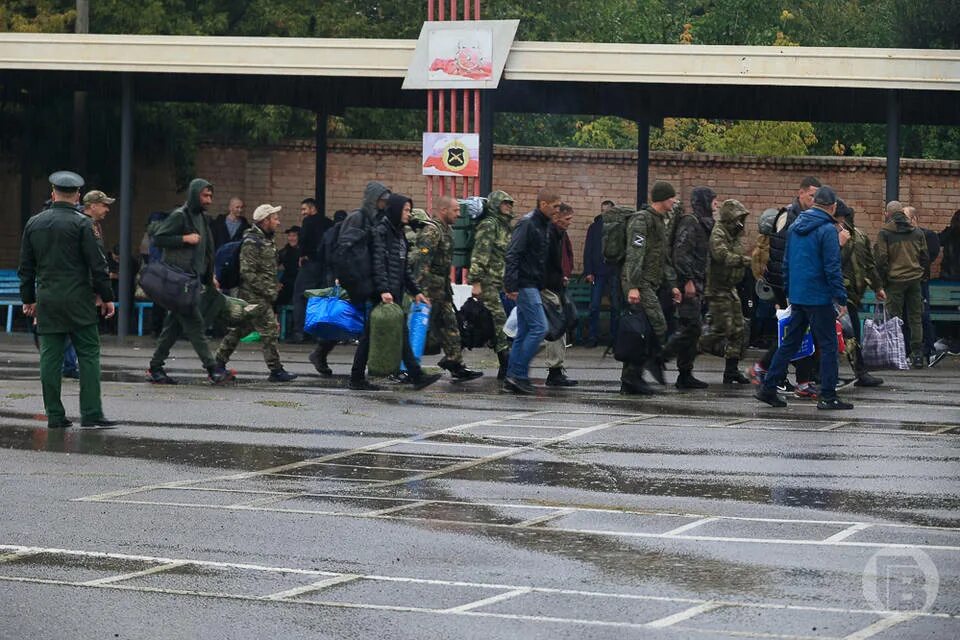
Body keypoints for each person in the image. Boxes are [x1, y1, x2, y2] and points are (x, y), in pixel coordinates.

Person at [18, 171, 117, 428]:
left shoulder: (34, 223)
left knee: (50, 358)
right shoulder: (83, 224)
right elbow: (98, 265)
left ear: (53, 193)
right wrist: (107, 297)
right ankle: (91, 413)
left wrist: (28, 298)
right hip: (80, 301)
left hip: (48, 301)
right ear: (78, 196)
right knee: (88, 355)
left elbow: (26, 268)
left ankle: (55, 415)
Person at [756, 186, 852, 410]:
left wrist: (790, 291)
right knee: (828, 345)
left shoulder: (795, 226)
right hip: (818, 297)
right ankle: (828, 396)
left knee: (789, 343)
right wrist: (841, 297)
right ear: (833, 206)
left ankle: (768, 388)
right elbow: (832, 267)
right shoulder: (828, 230)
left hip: (798, 295)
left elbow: (787, 263)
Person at [146, 178, 235, 385]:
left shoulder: (201, 218)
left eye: (211, 196)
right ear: (195, 194)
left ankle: (155, 367)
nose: (209, 200)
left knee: (173, 327)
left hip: (190, 281)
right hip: (178, 282)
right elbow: (158, 238)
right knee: (195, 324)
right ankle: (213, 369)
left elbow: (205, 252)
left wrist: (209, 277)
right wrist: (183, 239)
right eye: (205, 195)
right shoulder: (180, 216)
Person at [350, 193, 441, 391]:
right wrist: (383, 290)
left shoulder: (399, 234)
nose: (408, 214)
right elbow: (378, 263)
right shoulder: (381, 231)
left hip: (395, 291)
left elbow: (403, 267)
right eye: (405, 210)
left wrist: (415, 291)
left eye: (409, 210)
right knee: (382, 335)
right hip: (384, 294)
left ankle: (358, 377)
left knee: (379, 335)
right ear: (396, 210)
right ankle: (415, 376)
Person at [753, 176, 821, 396]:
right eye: (811, 195)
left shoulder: (806, 216)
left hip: (797, 284)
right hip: (786, 285)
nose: (814, 200)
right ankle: (766, 369)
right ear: (800, 193)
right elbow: (782, 251)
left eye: (816, 197)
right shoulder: (788, 215)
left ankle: (799, 379)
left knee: (800, 332)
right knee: (795, 333)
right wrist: (788, 286)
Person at [214, 204, 297, 382]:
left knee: (239, 330)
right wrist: (268, 289)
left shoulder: (266, 240)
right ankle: (276, 370)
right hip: (253, 296)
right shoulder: (252, 242)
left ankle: (218, 362)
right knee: (269, 330)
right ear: (265, 220)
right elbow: (247, 272)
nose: (278, 221)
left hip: (261, 295)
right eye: (274, 218)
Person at [620, 180, 682, 396]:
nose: (674, 201)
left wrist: (672, 285)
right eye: (672, 197)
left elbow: (661, 258)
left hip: (652, 283)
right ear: (664, 198)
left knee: (642, 331)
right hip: (639, 283)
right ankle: (634, 375)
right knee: (657, 325)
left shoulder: (659, 221)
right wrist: (634, 286)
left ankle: (631, 377)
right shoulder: (642, 220)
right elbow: (634, 254)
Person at [415, 195, 483, 381]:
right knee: (419, 328)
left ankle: (455, 363)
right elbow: (421, 262)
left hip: (442, 289)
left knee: (450, 325)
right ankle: (407, 367)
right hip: (428, 290)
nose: (459, 214)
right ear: (443, 210)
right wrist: (418, 291)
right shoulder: (432, 231)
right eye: (455, 210)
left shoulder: (448, 230)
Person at [503, 189, 559, 394]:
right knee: (539, 328)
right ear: (543, 204)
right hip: (525, 285)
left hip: (532, 284)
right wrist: (511, 285)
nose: (557, 210)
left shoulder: (543, 225)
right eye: (555, 206)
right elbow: (513, 254)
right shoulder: (528, 223)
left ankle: (513, 376)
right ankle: (518, 374)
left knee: (525, 332)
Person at [662, 186, 715, 389]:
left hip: (701, 283)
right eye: (713, 201)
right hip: (690, 286)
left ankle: (685, 373)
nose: (716, 205)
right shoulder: (690, 222)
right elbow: (680, 253)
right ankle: (663, 359)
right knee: (690, 327)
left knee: (692, 330)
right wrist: (687, 281)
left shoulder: (704, 224)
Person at [699, 199, 753, 384]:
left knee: (738, 329)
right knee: (719, 330)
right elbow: (720, 255)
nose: (740, 222)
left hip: (730, 288)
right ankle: (689, 351)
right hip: (717, 289)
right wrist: (743, 261)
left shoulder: (734, 234)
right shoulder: (719, 232)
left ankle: (731, 370)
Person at [834, 200, 885, 386]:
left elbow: (869, 264)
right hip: (839, 293)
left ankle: (860, 372)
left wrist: (878, 287)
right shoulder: (833, 236)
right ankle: (856, 372)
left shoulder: (860, 237)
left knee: (852, 334)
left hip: (854, 294)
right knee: (844, 334)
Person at [875, 202, 929, 368]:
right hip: (914, 280)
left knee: (894, 319)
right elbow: (925, 257)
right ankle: (918, 355)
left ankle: (897, 353)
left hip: (894, 281)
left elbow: (882, 259)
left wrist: (882, 282)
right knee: (915, 318)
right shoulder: (917, 232)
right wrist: (922, 275)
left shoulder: (885, 233)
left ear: (888, 214)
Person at [469, 190, 516, 380]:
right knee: (499, 321)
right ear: (496, 205)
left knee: (500, 322)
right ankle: (505, 365)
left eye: (510, 203)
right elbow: (480, 254)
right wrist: (476, 282)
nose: (509, 207)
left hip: (501, 282)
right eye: (505, 203)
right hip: (487, 281)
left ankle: (505, 366)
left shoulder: (505, 227)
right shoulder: (489, 225)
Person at [541, 203, 577, 386]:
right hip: (548, 286)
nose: (570, 222)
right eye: (568, 219)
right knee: (556, 326)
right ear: (558, 217)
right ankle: (554, 371)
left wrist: (566, 273)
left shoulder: (560, 234)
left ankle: (511, 365)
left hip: (555, 284)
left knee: (533, 328)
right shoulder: (549, 234)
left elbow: (566, 257)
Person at [289, 198, 331, 342]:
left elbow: (304, 240)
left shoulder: (308, 222)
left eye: (304, 209)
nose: (302, 213)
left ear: (312, 209)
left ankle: (299, 332)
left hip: (310, 262)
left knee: (300, 296)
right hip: (324, 265)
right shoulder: (327, 222)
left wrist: (302, 255)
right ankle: (317, 332)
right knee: (318, 297)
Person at [904, 206, 941, 362]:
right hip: (904, 282)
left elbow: (928, 257)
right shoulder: (901, 237)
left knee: (923, 316)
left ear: (914, 219)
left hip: (920, 282)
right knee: (905, 316)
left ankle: (929, 349)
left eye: (905, 218)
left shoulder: (928, 236)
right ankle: (908, 350)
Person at [582, 200, 618, 347]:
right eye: (603, 210)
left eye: (608, 210)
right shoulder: (594, 227)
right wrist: (589, 271)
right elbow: (588, 250)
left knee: (616, 307)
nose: (605, 213)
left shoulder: (618, 227)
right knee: (594, 306)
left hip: (614, 272)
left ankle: (614, 339)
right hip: (598, 273)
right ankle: (592, 337)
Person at [275, 225, 300, 308]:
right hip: (286, 283)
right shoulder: (284, 252)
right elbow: (272, 267)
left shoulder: (304, 252)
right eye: (289, 236)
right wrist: (276, 283)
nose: (291, 238)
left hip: (300, 283)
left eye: (294, 236)